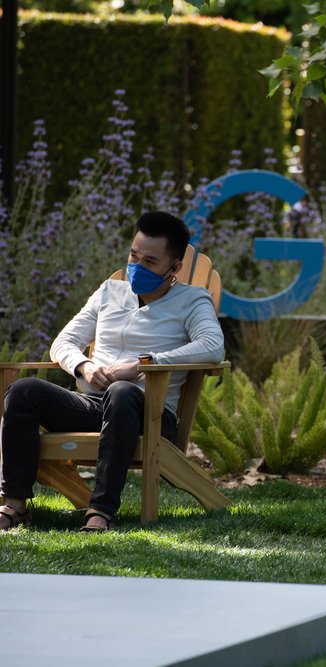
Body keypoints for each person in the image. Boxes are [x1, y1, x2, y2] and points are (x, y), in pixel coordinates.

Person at [0, 211, 225, 532]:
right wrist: (84, 366)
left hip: (151, 415)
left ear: (174, 268)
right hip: (92, 405)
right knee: (24, 391)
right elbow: (63, 342)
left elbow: (213, 346)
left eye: (150, 261)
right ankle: (15, 505)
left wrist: (142, 365)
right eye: (134, 255)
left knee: (122, 391)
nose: (137, 266)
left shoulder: (192, 301)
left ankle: (101, 511)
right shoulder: (109, 292)